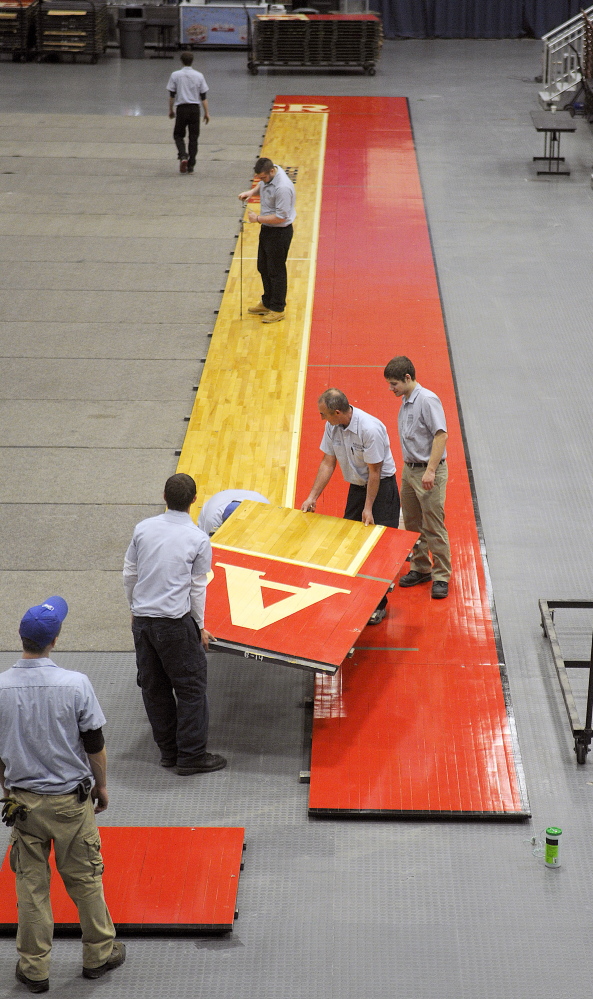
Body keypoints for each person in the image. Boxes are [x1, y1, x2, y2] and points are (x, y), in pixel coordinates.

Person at [0, 596, 125, 993]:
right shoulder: (75, 685)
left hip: (23, 805)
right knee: (85, 878)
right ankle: (98, 955)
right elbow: (94, 743)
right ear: (55, 640)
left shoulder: (0, 687)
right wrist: (101, 786)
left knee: (31, 886)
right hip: (71, 803)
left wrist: (6, 789)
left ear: (21, 637)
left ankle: (34, 968)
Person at [123, 473, 226, 776]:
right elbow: (197, 587)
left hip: (143, 623)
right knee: (191, 688)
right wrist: (200, 626)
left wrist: (134, 609)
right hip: (174, 625)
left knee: (154, 688)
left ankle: (168, 752)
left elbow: (129, 574)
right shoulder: (197, 539)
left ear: (164, 497)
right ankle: (192, 755)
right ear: (194, 501)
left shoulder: (143, 529)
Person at [300, 388, 400, 624]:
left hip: (381, 489)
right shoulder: (332, 426)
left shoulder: (370, 429)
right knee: (351, 543)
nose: (322, 419)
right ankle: (357, 597)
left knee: (379, 549)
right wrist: (312, 496)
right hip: (357, 487)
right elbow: (327, 462)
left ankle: (378, 605)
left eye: (324, 414)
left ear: (337, 411)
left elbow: (375, 472)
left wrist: (368, 508)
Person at [384, 355, 451, 599]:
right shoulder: (406, 400)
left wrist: (431, 470)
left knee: (433, 524)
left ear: (407, 378)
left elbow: (441, 435)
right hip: (410, 469)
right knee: (412, 524)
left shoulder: (427, 400)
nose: (391, 389)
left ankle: (442, 575)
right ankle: (421, 567)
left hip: (427, 469)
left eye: (394, 384)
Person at [238, 157, 296, 324]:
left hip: (279, 232)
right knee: (263, 266)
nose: (261, 180)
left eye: (263, 177)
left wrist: (257, 219)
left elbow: (281, 217)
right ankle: (267, 302)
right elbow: (262, 184)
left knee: (276, 271)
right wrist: (251, 192)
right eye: (259, 178)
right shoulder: (271, 171)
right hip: (267, 229)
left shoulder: (283, 188)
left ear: (272, 172)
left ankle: (277, 308)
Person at [167, 51, 210, 174]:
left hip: (181, 109)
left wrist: (171, 110)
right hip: (194, 109)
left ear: (181, 61)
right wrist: (206, 113)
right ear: (192, 61)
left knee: (178, 135)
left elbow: (171, 95)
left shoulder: (175, 75)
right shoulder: (199, 75)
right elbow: (203, 97)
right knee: (193, 138)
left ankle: (183, 155)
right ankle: (191, 165)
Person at [198, 489, 270, 537]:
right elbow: (210, 543)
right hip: (217, 502)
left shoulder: (263, 506)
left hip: (233, 496)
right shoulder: (212, 518)